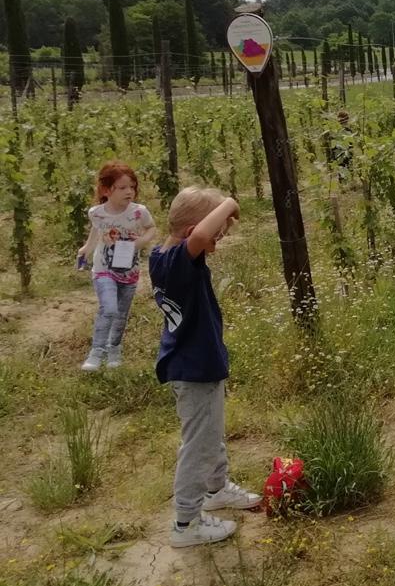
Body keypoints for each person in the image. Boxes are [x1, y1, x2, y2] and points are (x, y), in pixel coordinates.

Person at [150, 187, 261, 548]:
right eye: (218, 234)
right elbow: (198, 235)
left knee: (210, 434)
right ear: (192, 233)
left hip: (198, 366)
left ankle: (217, 489)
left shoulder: (160, 256)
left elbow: (197, 234)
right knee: (198, 444)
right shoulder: (181, 260)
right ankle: (186, 522)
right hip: (194, 370)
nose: (218, 240)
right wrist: (230, 203)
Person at [78, 161, 157, 372]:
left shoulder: (139, 212)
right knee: (109, 308)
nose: (129, 191)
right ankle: (96, 352)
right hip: (103, 268)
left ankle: (114, 349)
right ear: (106, 190)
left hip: (129, 271)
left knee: (121, 313)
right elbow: (96, 232)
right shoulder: (96, 212)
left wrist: (141, 242)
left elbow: (151, 229)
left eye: (132, 187)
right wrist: (87, 248)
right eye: (122, 188)